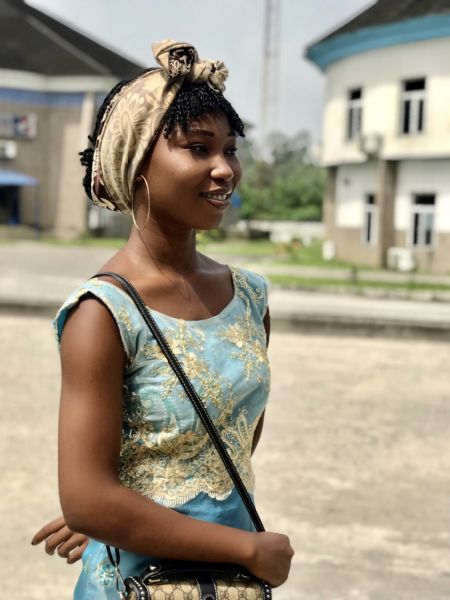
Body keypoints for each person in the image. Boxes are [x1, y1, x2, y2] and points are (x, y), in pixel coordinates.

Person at [31, 40, 294, 598]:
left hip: (227, 585)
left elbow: (229, 441)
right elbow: (86, 501)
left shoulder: (249, 296)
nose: (224, 169)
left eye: (230, 149)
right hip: (140, 583)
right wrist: (247, 549)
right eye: (198, 148)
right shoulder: (103, 313)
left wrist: (128, 512)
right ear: (136, 162)